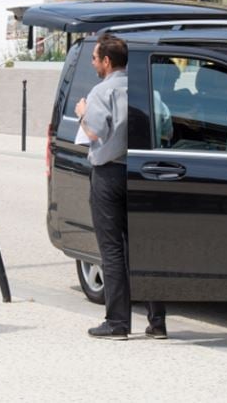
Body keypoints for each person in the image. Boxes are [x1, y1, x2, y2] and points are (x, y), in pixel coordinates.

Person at [75, 33, 166, 340]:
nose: (93, 63)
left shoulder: (102, 92)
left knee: (112, 249)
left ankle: (117, 322)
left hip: (110, 173)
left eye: (95, 58)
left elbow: (94, 132)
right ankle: (157, 322)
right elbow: (164, 125)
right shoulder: (146, 89)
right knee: (148, 246)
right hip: (144, 173)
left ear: (107, 61)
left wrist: (81, 115)